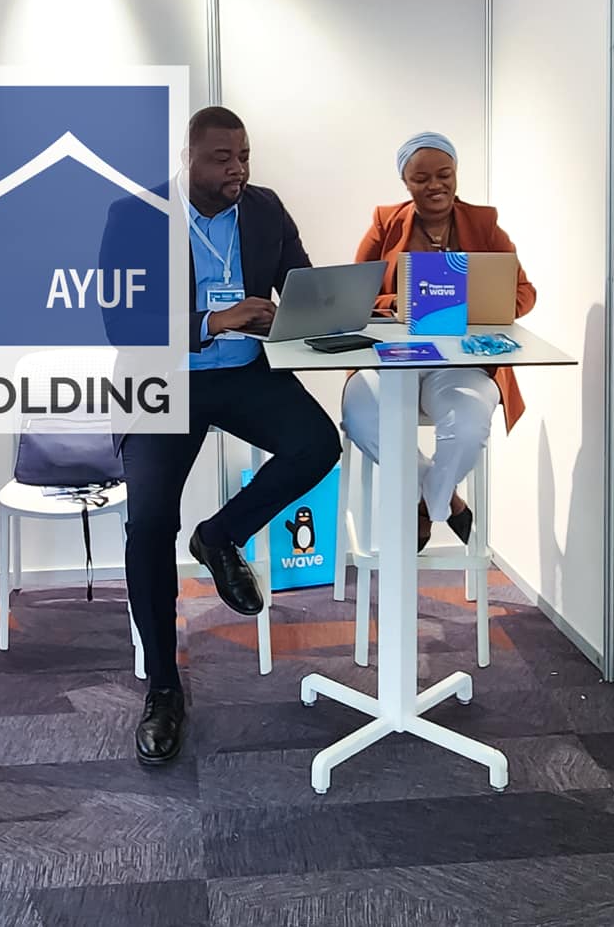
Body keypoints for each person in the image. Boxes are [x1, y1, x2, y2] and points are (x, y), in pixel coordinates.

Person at [114, 106, 340, 766]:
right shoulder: (136, 216)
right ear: (187, 159)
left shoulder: (264, 209)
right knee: (149, 522)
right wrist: (215, 320)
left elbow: (302, 286)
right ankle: (163, 687)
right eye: (221, 158)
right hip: (165, 380)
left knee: (317, 443)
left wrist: (300, 314)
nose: (237, 168)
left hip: (243, 373)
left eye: (243, 155)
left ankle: (219, 535)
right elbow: (123, 322)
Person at [345, 131, 536, 549]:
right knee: (359, 413)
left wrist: (463, 302)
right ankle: (445, 500)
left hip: (460, 362)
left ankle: (423, 507)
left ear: (456, 173)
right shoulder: (385, 223)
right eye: (421, 178)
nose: (435, 186)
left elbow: (524, 294)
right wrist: (400, 302)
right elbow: (352, 296)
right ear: (405, 182)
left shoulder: (484, 225)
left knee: (467, 428)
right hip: (391, 357)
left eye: (444, 175)